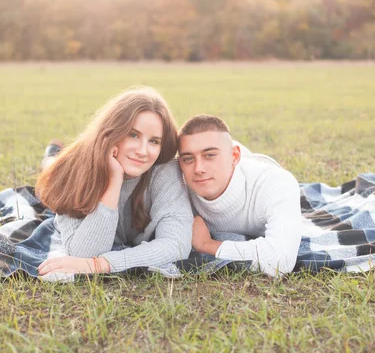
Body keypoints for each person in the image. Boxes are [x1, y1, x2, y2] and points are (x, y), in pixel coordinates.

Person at [37, 87, 193, 276]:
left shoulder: (164, 171)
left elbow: (176, 245)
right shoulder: (72, 171)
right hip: (69, 162)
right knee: (51, 165)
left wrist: (100, 265)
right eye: (133, 135)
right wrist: (113, 181)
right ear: (111, 133)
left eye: (154, 141)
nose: (143, 151)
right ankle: (51, 155)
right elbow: (82, 253)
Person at [177, 115, 302, 277]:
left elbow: (280, 261)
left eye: (209, 155)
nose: (198, 168)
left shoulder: (276, 183)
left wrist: (207, 245)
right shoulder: (179, 186)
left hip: (256, 166)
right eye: (188, 158)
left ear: (234, 156)